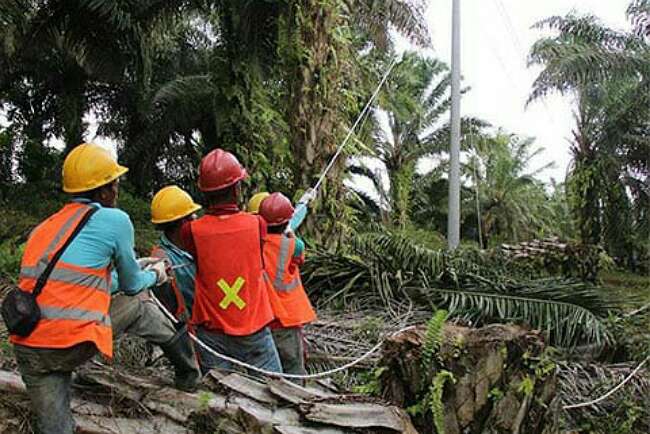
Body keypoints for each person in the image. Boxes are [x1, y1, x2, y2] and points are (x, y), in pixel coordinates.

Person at [10, 143, 171, 434]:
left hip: (28, 345)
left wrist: (136, 267)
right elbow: (134, 286)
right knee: (138, 305)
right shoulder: (115, 220)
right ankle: (187, 370)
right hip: (71, 343)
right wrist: (156, 275)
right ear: (104, 191)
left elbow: (83, 283)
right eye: (116, 184)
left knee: (55, 429)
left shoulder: (44, 227)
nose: (117, 191)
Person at [180, 149, 282, 375]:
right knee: (275, 392)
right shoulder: (257, 224)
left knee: (218, 398)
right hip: (253, 328)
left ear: (205, 192)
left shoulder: (191, 231)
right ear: (237, 188)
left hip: (211, 331)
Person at [258, 193, 317, 378]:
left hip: (264, 319)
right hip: (287, 320)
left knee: (267, 372)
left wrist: (302, 203)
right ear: (286, 223)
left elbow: (289, 221)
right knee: (293, 371)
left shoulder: (255, 244)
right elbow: (296, 251)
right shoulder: (294, 245)